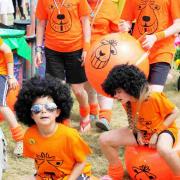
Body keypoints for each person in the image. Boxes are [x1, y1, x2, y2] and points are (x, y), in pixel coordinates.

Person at [99, 64, 180, 180]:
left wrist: (157, 133)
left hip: (164, 130)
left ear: (129, 87)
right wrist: (136, 131)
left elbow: (175, 112)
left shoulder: (153, 97)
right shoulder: (126, 101)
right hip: (143, 132)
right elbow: (132, 120)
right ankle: (115, 174)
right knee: (104, 139)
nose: (115, 96)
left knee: (164, 149)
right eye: (114, 92)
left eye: (119, 91)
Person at [14, 75, 92, 180]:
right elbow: (38, 161)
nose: (43, 111)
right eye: (37, 108)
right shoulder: (29, 135)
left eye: (50, 107)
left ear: (58, 112)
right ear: (31, 115)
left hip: (74, 176)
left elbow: (81, 161)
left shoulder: (69, 135)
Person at [35, 0, 91, 133]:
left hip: (75, 48)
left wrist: (86, 48)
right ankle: (64, 119)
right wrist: (38, 49)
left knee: (78, 90)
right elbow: (41, 24)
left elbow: (85, 22)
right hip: (52, 49)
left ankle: (85, 115)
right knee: (57, 89)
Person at [119, 0, 180, 92]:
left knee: (154, 96)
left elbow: (178, 25)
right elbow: (127, 20)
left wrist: (156, 37)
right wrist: (125, 26)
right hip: (138, 53)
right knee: (136, 96)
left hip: (162, 52)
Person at [85, 0, 120, 131]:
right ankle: (93, 109)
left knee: (103, 83)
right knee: (87, 84)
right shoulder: (78, 3)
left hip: (104, 54)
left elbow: (116, 32)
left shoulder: (109, 5)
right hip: (82, 51)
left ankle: (105, 117)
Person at [0, 37, 24, 156]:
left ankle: (20, 140)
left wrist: (10, 76)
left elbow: (7, 50)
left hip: (1, 74)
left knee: (1, 105)